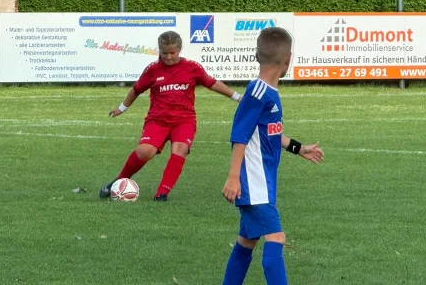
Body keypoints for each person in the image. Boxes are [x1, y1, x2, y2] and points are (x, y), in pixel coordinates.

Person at [221, 27, 324, 285]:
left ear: (257, 55)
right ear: (288, 59)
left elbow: (270, 133)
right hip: (254, 180)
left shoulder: (268, 92)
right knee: (276, 238)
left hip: (262, 179)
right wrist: (234, 177)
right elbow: (240, 134)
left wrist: (298, 148)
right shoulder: (257, 92)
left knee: (247, 241)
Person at [99, 30, 242, 201]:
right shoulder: (152, 70)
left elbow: (212, 83)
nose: (168, 56)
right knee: (145, 151)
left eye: (172, 52)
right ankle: (120, 180)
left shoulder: (192, 68)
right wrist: (122, 108)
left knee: (180, 150)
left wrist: (237, 97)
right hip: (157, 120)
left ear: (179, 49)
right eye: (164, 52)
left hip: (184, 120)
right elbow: (136, 90)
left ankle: (162, 193)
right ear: (159, 50)